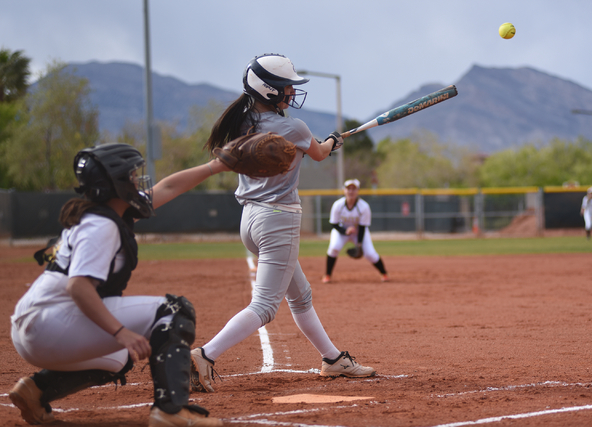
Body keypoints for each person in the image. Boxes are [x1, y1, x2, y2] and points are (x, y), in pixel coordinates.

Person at [189, 53, 376, 393]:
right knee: (264, 307)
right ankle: (205, 354)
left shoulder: (242, 121)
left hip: (250, 220)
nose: (291, 91)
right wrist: (334, 141)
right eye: (286, 86)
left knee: (301, 297)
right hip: (279, 221)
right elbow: (319, 153)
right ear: (269, 91)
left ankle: (333, 360)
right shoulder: (293, 127)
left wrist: (327, 142)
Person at [9, 143, 222, 427]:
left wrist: (217, 166)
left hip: (37, 325)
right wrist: (121, 332)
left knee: (119, 359)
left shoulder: (103, 214)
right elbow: (78, 287)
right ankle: (170, 412)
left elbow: (169, 188)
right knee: (174, 310)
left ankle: (35, 390)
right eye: (131, 176)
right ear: (115, 183)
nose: (137, 180)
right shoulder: (101, 225)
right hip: (50, 323)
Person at [322, 179, 389, 284]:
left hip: (359, 232)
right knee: (334, 248)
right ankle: (327, 275)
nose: (351, 191)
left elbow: (362, 227)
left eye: (354, 189)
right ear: (344, 190)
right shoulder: (338, 205)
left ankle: (384, 273)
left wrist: (359, 244)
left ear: (358, 191)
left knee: (370, 254)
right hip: (341, 231)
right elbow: (334, 224)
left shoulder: (364, 206)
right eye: (349, 188)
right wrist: (345, 231)